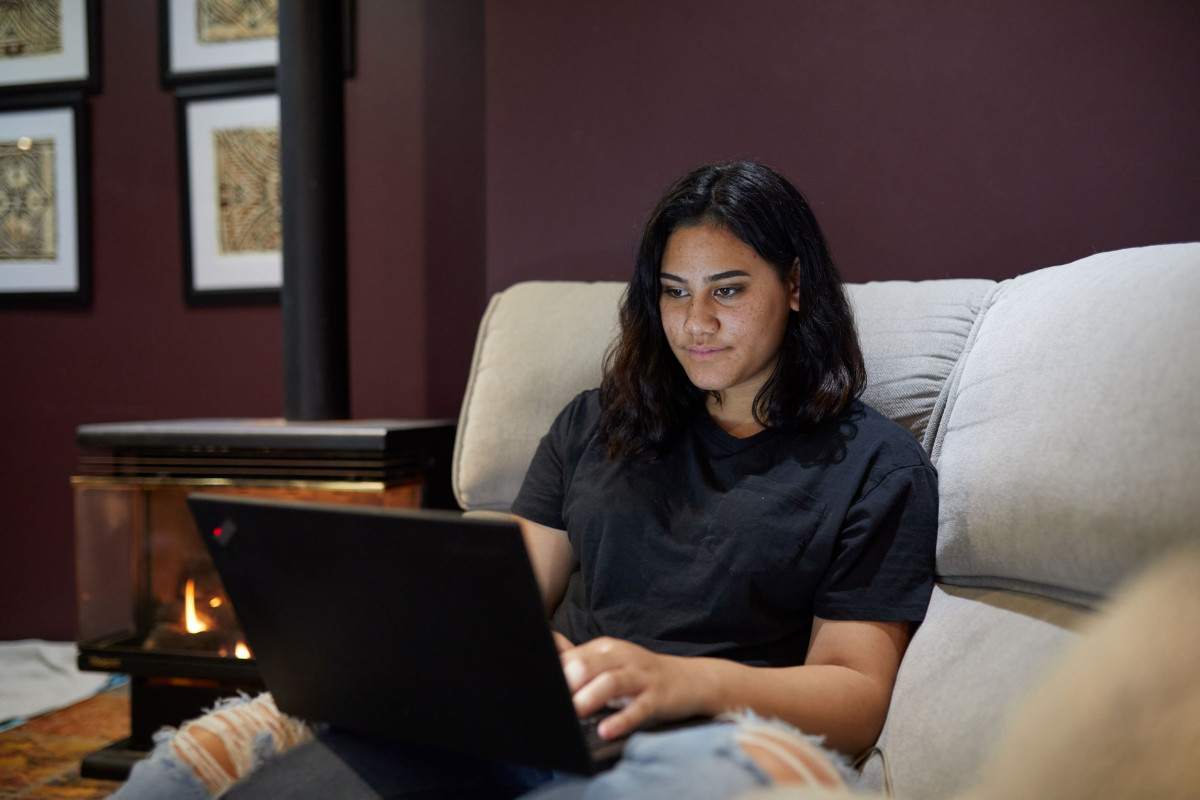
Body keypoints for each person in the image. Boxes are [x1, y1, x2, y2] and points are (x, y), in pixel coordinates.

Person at [113, 161, 937, 799]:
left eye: (728, 292)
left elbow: (856, 693)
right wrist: (481, 643)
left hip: (704, 735)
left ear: (794, 286)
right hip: (545, 723)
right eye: (674, 294)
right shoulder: (601, 422)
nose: (696, 324)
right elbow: (504, 583)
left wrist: (683, 680)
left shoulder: (872, 467)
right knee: (214, 778)